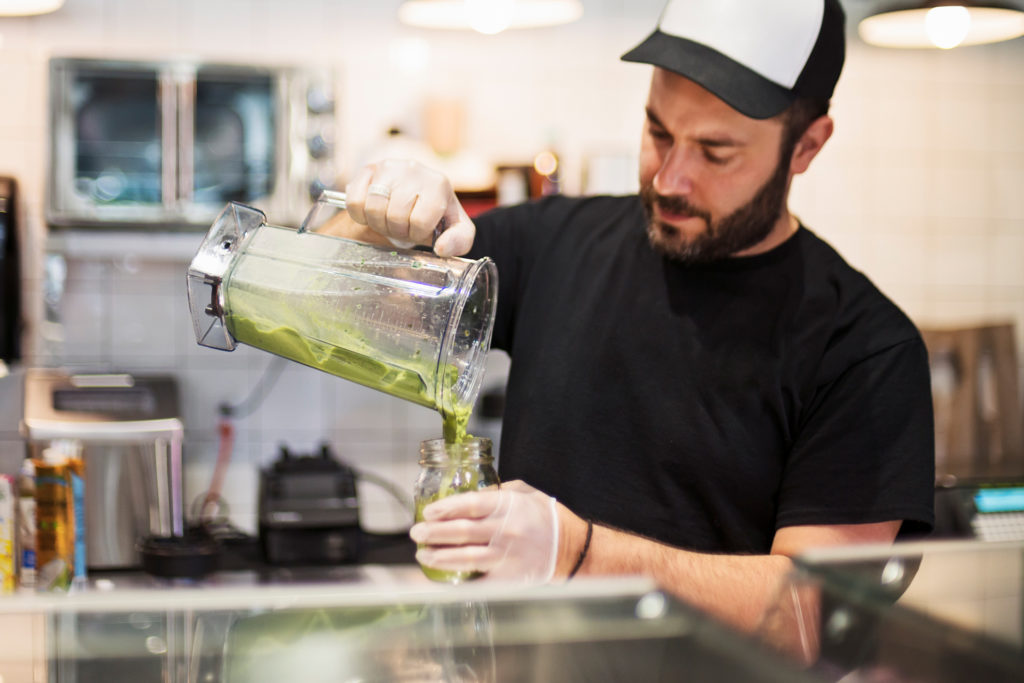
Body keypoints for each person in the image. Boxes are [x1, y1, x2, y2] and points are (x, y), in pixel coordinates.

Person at [333, 0, 935, 636]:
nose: (671, 178)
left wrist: (577, 554)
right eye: (657, 132)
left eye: (715, 151)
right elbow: (345, 291)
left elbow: (815, 616)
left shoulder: (865, 348)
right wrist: (371, 212)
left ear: (807, 145)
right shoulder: (554, 244)